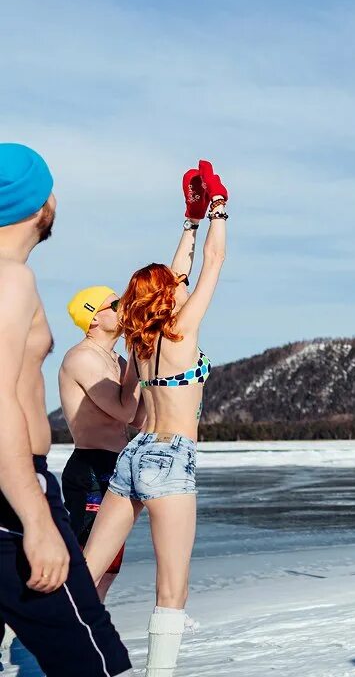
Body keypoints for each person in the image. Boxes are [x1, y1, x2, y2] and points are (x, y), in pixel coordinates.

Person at [83, 160, 228, 677]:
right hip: (170, 457)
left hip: (134, 452)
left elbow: (180, 271)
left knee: (85, 571)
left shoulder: (140, 340)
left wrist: (189, 220)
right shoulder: (181, 331)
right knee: (172, 588)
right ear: (168, 298)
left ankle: (32, 641)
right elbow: (211, 265)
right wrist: (219, 212)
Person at [0, 142, 132, 676]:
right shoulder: (10, 277)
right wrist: (34, 518)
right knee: (92, 658)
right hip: (11, 492)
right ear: (39, 205)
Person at [59, 285, 143, 601]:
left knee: (109, 563)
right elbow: (124, 408)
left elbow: (136, 417)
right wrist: (137, 359)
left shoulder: (116, 360)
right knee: (86, 557)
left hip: (117, 466)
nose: (125, 307)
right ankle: (48, 629)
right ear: (93, 317)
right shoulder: (82, 357)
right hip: (91, 466)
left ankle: (90, 628)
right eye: (116, 303)